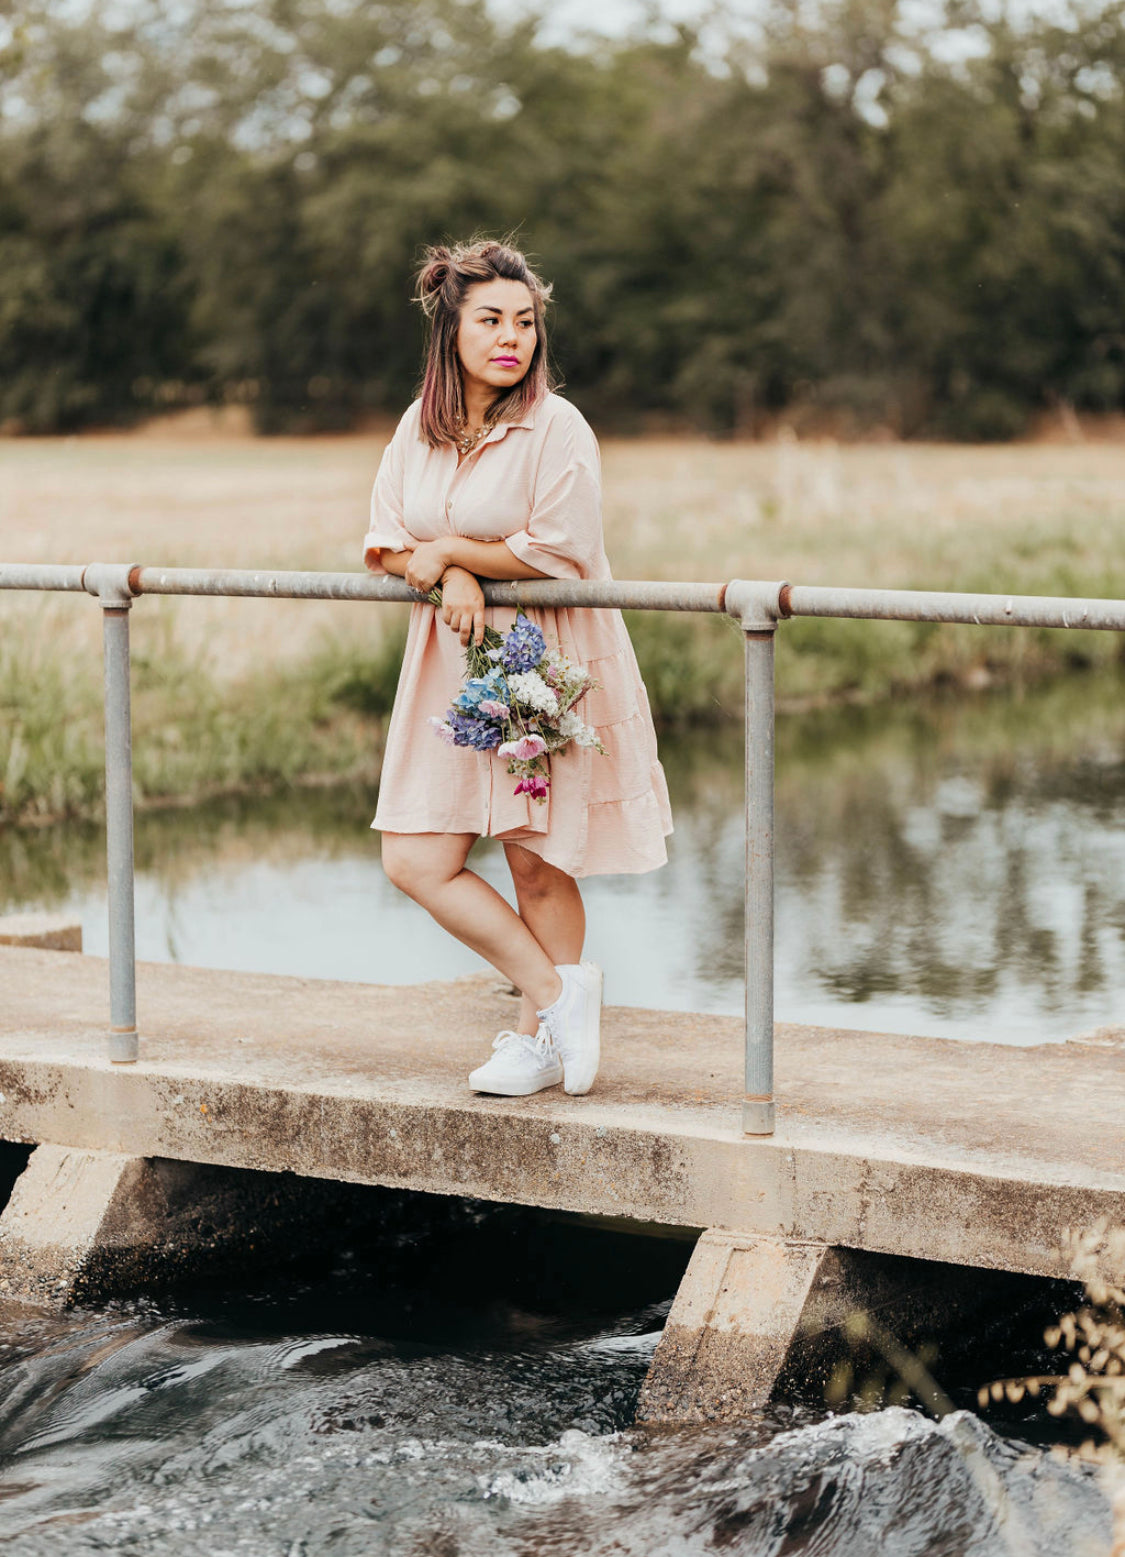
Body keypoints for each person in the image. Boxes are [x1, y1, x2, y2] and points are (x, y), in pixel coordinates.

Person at [363, 237, 672, 1099]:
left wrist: (457, 551)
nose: (512, 337)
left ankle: (540, 1042)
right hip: (450, 667)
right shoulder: (417, 428)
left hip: (543, 655)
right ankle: (555, 994)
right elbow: (387, 540)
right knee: (415, 858)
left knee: (534, 857)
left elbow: (559, 551)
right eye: (491, 319)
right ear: (450, 331)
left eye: (526, 322)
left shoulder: (556, 426)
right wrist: (447, 568)